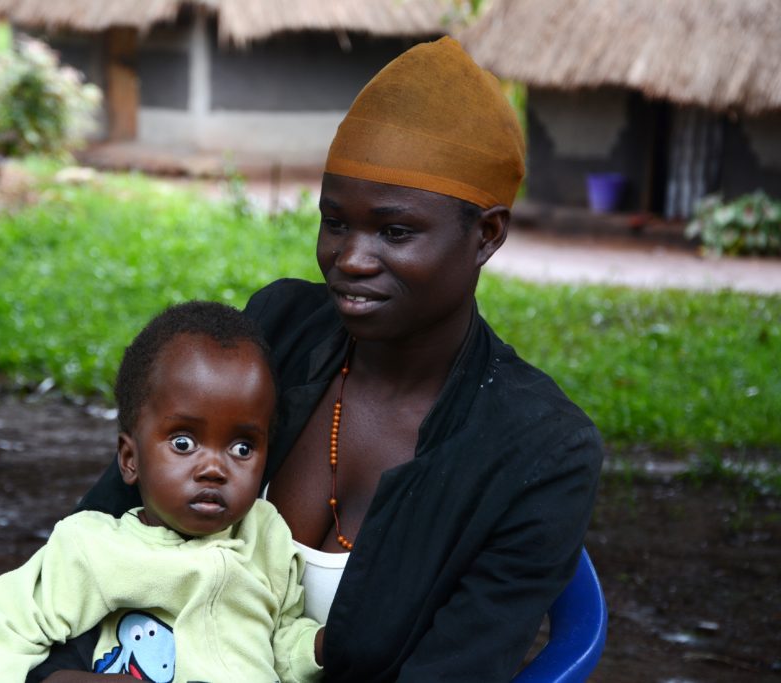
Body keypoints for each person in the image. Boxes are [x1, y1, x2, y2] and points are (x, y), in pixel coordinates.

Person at [33, 37, 603, 683]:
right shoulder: (277, 331)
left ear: (486, 235)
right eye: (335, 222)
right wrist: (56, 673)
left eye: (394, 231)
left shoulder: (537, 448)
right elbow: (101, 531)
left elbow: (454, 667)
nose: (350, 258)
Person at [0, 301, 324, 683]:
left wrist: (318, 648)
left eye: (242, 448)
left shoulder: (266, 539)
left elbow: (282, 643)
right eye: (182, 443)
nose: (214, 468)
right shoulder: (93, 548)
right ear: (130, 459)